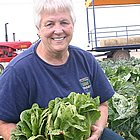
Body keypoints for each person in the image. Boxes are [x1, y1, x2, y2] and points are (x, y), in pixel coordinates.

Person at [0, 0, 125, 140]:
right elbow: (4, 122)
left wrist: (98, 130)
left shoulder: (86, 60)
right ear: (38, 28)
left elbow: (102, 104)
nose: (59, 31)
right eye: (50, 24)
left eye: (64, 22)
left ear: (73, 25)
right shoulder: (17, 70)